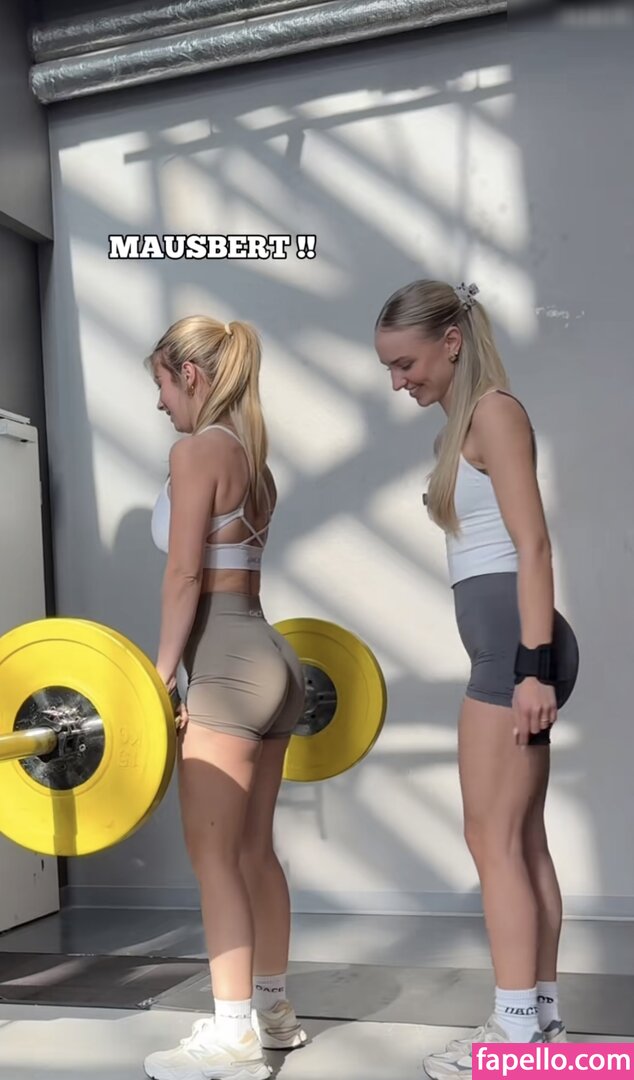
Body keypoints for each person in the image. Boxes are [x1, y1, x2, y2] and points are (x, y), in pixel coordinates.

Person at [374, 280, 577, 1079]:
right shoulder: (459, 428)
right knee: (520, 841)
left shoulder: (495, 413)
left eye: (406, 363)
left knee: (491, 840)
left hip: (513, 658)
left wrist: (532, 669)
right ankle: (543, 1024)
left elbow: (534, 546)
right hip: (506, 654)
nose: (399, 381)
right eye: (391, 369)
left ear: (451, 342)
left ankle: (515, 1034)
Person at [142, 315, 307, 1080]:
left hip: (226, 666)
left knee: (214, 857)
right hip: (272, 657)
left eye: (162, 385)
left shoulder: (196, 451)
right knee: (253, 851)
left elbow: (185, 575)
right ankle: (273, 1013)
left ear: (192, 375)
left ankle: (234, 1034)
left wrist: (159, 673)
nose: (160, 404)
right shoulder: (252, 457)